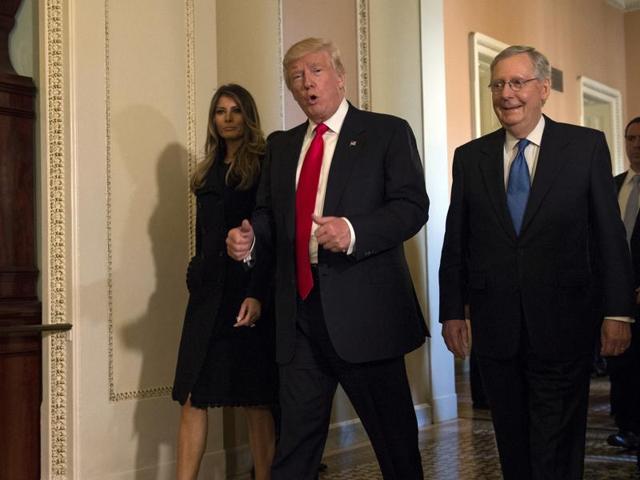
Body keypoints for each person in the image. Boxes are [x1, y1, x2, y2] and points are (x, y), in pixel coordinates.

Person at [226, 37, 429, 479]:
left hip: (366, 318)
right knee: (295, 449)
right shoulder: (281, 146)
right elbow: (267, 216)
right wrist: (249, 240)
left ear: (340, 75)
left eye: (316, 71)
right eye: (296, 77)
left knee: (395, 449)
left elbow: (412, 207)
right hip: (299, 316)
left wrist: (353, 231)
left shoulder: (385, 132)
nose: (307, 83)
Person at [439, 45, 634, 479]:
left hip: (564, 323)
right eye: (498, 84)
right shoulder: (471, 157)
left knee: (557, 442)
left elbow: (609, 236)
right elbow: (457, 241)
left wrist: (617, 312)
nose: (506, 94)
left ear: (543, 89)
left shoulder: (584, 147)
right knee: (512, 441)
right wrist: (452, 310)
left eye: (517, 82)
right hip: (496, 328)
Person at [172, 84, 277, 480]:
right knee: (193, 395)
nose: (228, 118)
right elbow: (204, 235)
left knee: (256, 398)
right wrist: (195, 272)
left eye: (235, 110)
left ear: (247, 116)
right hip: (207, 293)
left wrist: (257, 294)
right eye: (220, 111)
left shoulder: (263, 165)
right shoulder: (206, 171)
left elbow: (269, 236)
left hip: (245, 291)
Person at [608, 116, 640, 450]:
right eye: (630, 138)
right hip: (616, 296)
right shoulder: (611, 184)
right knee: (621, 364)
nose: (636, 144)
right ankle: (627, 427)